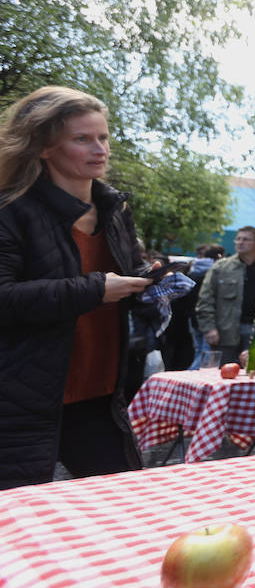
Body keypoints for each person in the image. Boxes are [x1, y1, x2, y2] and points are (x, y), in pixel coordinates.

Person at [0, 86, 153, 489]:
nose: (99, 148)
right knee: (18, 527)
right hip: (23, 400)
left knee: (126, 511)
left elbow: (125, 279)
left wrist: (153, 288)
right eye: (82, 139)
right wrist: (95, 289)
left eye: (102, 137)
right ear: (45, 147)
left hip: (101, 393)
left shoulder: (114, 209)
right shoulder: (11, 211)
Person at [195, 225, 255, 366]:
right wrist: (209, 328)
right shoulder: (221, 267)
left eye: (246, 239)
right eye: (238, 239)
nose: (240, 242)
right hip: (225, 332)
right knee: (221, 372)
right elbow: (205, 299)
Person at [184, 244, 223, 369]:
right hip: (208, 321)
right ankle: (189, 381)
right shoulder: (215, 273)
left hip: (193, 318)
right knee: (205, 357)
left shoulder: (192, 271)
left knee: (199, 352)